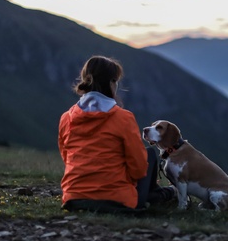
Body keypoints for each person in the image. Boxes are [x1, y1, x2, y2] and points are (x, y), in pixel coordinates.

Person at [58, 55, 175, 213]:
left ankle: (158, 194)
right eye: (115, 81)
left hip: (74, 197)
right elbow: (139, 169)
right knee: (150, 155)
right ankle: (165, 193)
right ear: (111, 83)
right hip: (116, 199)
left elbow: (67, 157)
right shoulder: (123, 118)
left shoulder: (66, 118)